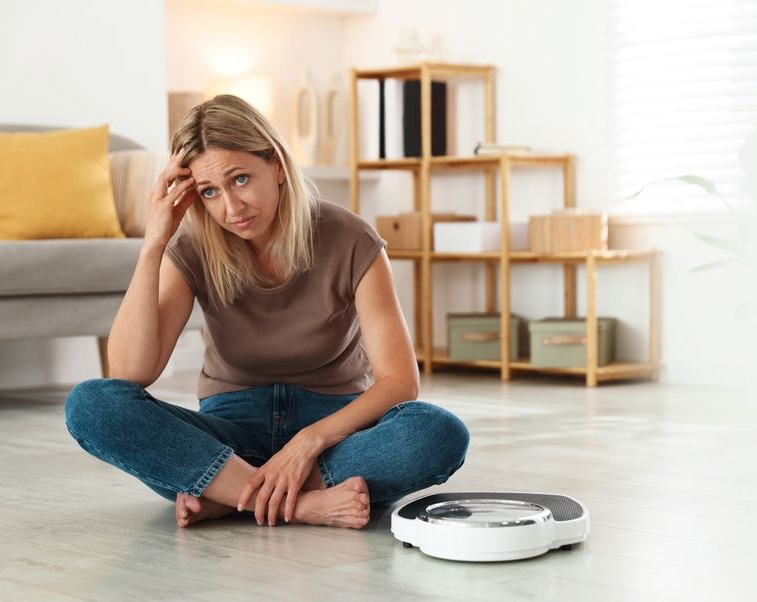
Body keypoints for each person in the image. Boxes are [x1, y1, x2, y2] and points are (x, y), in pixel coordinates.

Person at [64, 95, 469, 530]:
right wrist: (153, 243)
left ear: (276, 165)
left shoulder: (351, 240)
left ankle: (230, 495)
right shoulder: (191, 249)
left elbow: (400, 382)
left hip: (332, 434)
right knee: (91, 404)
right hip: (228, 439)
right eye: (209, 192)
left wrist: (307, 443)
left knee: (437, 431)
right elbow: (129, 372)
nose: (231, 209)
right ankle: (299, 502)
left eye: (240, 179)